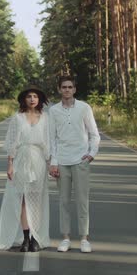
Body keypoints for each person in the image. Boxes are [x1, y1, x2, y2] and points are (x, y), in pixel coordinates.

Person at [0, 87, 51, 252]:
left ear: (39, 100)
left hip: (39, 160)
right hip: (21, 160)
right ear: (24, 100)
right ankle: (25, 238)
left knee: (36, 200)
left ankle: (35, 238)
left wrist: (51, 164)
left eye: (35, 96)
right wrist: (10, 164)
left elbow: (49, 143)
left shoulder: (45, 118)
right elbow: (11, 143)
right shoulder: (17, 118)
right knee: (23, 199)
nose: (32, 99)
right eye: (29, 96)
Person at [49, 76, 100, 253]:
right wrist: (53, 163)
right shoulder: (53, 111)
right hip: (62, 162)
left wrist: (91, 154)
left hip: (81, 161)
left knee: (82, 201)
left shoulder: (84, 108)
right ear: (59, 89)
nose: (67, 90)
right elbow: (52, 139)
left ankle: (84, 239)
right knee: (63, 201)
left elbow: (94, 134)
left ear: (75, 89)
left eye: (70, 87)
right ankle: (65, 238)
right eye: (64, 87)